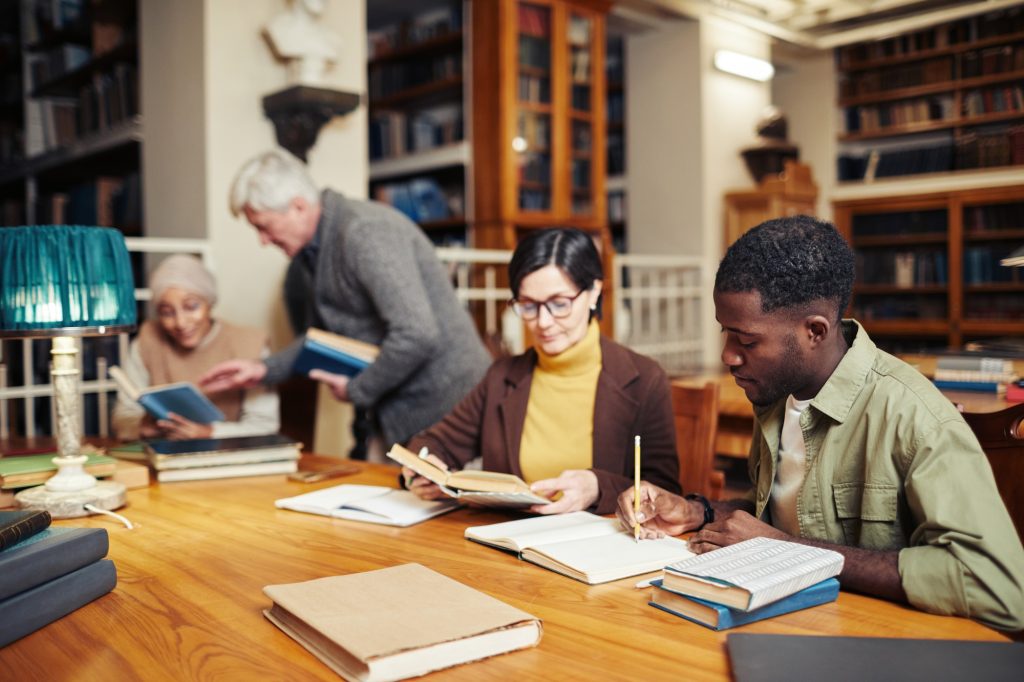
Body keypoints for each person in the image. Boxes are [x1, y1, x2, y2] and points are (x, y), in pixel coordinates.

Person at [616, 215, 1024, 632]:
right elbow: (778, 518)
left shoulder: (916, 420)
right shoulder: (776, 393)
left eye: (747, 340)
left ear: (814, 331)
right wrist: (695, 511)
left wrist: (789, 551)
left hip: (881, 645)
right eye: (726, 333)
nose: (728, 356)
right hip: (799, 628)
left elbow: (998, 588)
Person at [200, 149, 491, 452]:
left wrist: (357, 389)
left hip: (448, 407)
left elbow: (417, 334)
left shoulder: (363, 233)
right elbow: (323, 339)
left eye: (263, 226)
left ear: (298, 207)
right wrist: (263, 369)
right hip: (400, 410)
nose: (263, 241)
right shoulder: (311, 252)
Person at [405, 228, 680, 515]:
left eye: (559, 304)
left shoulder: (644, 379)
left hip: (598, 549)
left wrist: (598, 486)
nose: (543, 322)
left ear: (593, 293)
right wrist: (424, 466)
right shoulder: (502, 377)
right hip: (506, 544)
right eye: (528, 306)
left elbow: (665, 491)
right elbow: (433, 443)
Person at [112, 254, 280, 441]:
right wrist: (143, 427)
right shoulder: (148, 340)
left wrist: (208, 433)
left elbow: (265, 425)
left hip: (228, 458)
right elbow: (123, 419)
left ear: (209, 302)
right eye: (166, 312)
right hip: (164, 457)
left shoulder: (250, 343)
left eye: (191, 306)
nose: (181, 323)